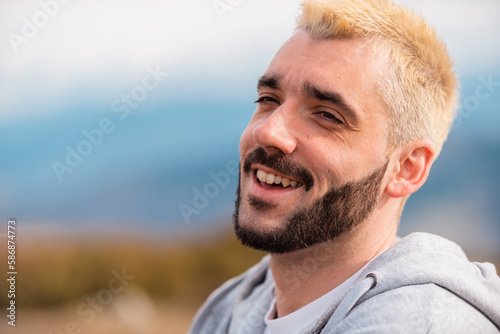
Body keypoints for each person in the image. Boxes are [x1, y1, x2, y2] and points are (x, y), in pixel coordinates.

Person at [189, 0, 500, 332]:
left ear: (406, 168)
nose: (267, 132)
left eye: (327, 115)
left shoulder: (418, 323)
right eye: (268, 99)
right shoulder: (229, 310)